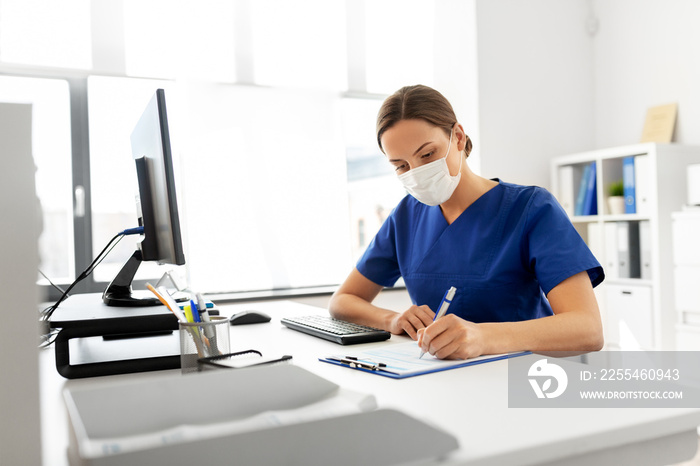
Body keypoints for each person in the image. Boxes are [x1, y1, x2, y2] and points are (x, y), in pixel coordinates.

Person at [329, 84, 604, 360]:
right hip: (441, 380)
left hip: (523, 380)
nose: (417, 173)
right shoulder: (406, 217)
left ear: (458, 138)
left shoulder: (530, 209)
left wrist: (484, 337)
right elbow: (343, 302)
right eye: (401, 166)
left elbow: (587, 329)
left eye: (427, 155)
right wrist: (392, 320)